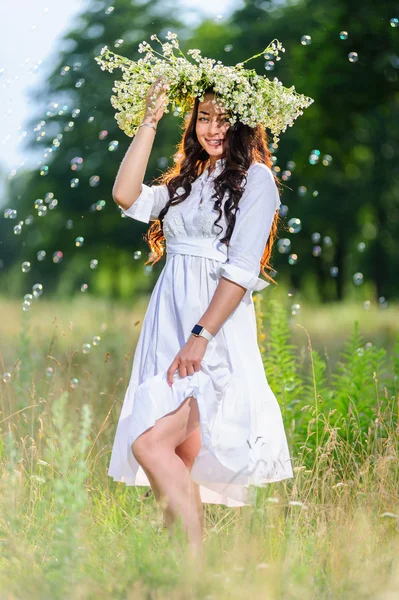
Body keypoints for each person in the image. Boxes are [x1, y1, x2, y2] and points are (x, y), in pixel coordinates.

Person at [110, 79, 294, 561]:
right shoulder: (186, 178)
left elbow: (241, 271)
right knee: (179, 457)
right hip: (168, 323)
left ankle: (192, 571)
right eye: (204, 117)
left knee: (150, 445)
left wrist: (201, 336)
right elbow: (126, 195)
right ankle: (180, 577)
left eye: (223, 118)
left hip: (212, 331)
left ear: (242, 123)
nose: (213, 128)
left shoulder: (256, 180)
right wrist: (149, 120)